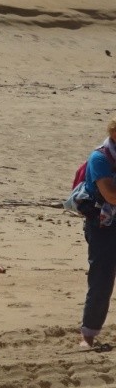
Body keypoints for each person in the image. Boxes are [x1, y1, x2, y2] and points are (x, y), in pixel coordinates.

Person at [78, 115, 116, 349]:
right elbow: (111, 195)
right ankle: (88, 337)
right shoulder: (99, 157)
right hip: (103, 226)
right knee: (101, 280)